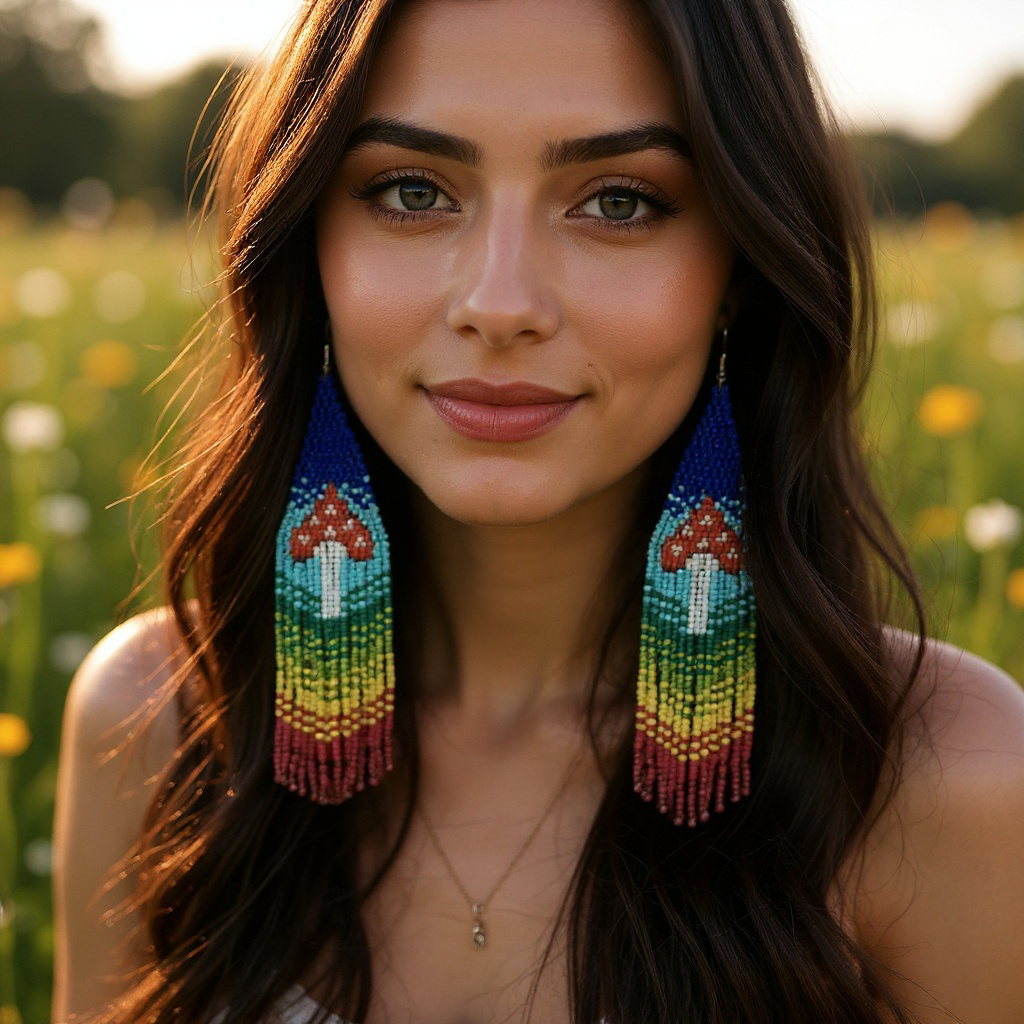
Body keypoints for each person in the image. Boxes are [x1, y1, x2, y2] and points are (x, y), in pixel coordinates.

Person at [51, 0, 1024, 1021]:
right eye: (412, 189)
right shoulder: (157, 722)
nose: (500, 299)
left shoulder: (943, 779)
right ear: (308, 247)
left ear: (739, 266)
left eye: (618, 202)